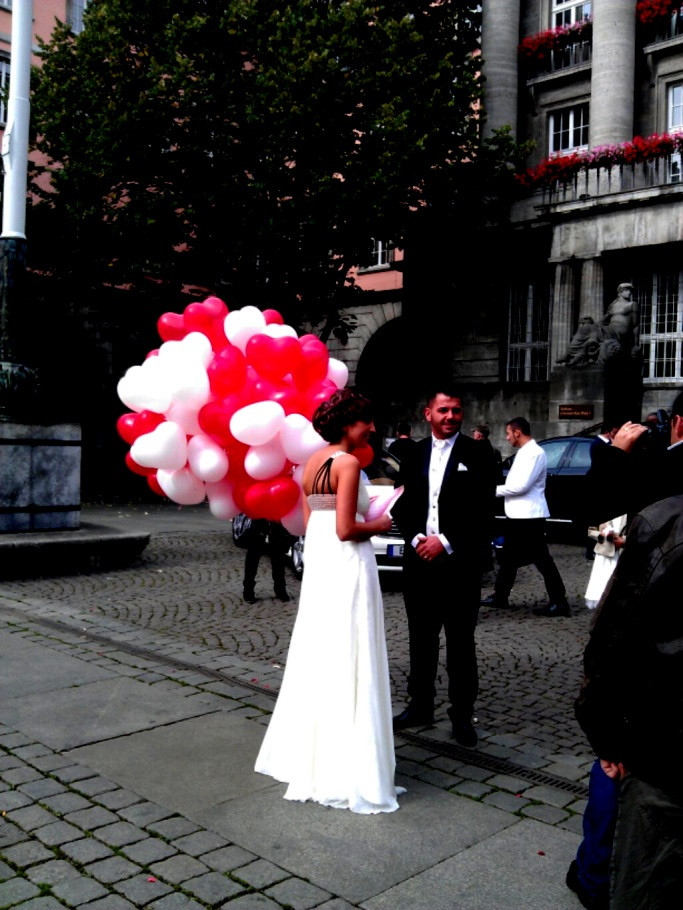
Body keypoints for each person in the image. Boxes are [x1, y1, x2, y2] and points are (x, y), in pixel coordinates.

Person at [254, 389, 402, 814]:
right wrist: (381, 520)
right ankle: (349, 765)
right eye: (364, 422)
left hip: (322, 569)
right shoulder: (350, 463)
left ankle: (315, 753)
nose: (371, 428)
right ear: (346, 425)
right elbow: (344, 528)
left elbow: (308, 522)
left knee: (322, 653)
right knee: (352, 653)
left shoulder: (311, 463)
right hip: (349, 564)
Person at [574, 493, 683, 909]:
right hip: (662, 742)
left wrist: (607, 737)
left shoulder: (667, 521)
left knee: (647, 874)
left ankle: (594, 875)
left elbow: (612, 641)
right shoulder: (665, 521)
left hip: (665, 754)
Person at [391, 387, 497, 747]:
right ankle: (419, 705)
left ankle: (462, 716)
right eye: (443, 411)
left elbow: (484, 511)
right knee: (420, 640)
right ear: (428, 413)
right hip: (419, 563)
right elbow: (400, 505)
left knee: (460, 643)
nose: (450, 417)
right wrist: (416, 538)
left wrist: (447, 541)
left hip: (460, 564)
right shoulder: (413, 453)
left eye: (455, 410)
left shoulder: (479, 453)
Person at [481, 417, 570, 618]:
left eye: (508, 433)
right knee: (508, 559)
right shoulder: (525, 452)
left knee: (542, 560)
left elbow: (521, 486)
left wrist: (488, 491)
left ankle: (559, 601)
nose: (506, 437)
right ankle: (500, 596)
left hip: (529, 517)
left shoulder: (534, 453)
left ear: (517, 432)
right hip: (519, 515)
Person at [242, 520, 291, 604]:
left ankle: (280, 590)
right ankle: (248, 591)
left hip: (276, 534)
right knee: (251, 565)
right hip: (257, 533)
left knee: (278, 564)